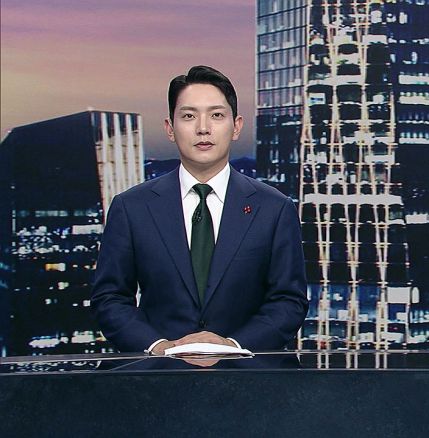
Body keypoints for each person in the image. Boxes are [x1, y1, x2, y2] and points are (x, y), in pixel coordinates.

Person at [91, 65, 308, 354]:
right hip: (158, 372)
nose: (203, 128)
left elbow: (289, 301)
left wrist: (232, 346)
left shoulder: (275, 208)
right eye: (189, 116)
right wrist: (160, 348)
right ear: (170, 128)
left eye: (216, 115)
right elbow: (109, 298)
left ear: (236, 126)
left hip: (247, 372)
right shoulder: (131, 207)